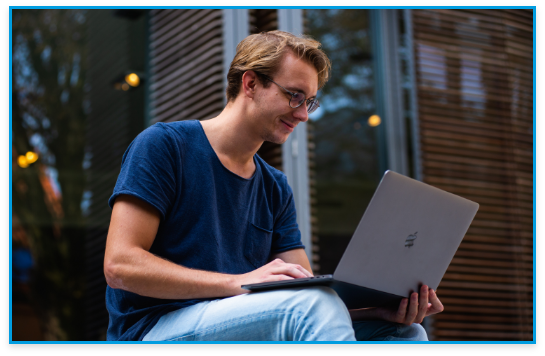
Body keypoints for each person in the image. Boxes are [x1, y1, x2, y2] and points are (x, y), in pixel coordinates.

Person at [103, 30, 443, 342]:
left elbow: (308, 291)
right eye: (295, 96)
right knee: (311, 305)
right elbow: (120, 266)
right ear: (250, 84)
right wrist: (236, 283)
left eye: (309, 101)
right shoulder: (165, 146)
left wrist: (377, 310)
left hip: (237, 322)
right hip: (154, 328)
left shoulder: (274, 186)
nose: (303, 115)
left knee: (404, 332)